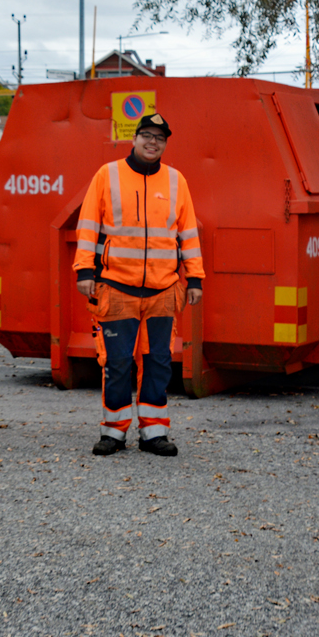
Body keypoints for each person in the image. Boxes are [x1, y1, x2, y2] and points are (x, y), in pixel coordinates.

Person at [73, 112, 204, 457]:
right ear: (134, 139)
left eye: (159, 138)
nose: (152, 142)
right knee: (116, 362)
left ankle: (154, 433)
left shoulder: (177, 181)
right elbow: (87, 225)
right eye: (146, 135)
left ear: (164, 144)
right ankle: (113, 432)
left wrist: (196, 277)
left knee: (159, 361)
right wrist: (84, 271)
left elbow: (188, 233)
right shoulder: (107, 175)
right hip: (116, 286)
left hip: (163, 289)